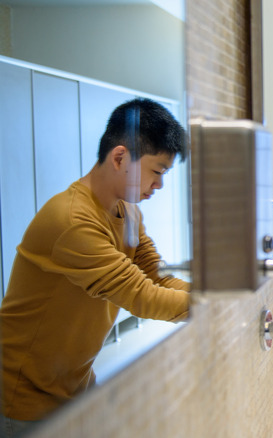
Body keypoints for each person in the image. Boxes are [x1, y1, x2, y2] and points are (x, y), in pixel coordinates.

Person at [0, 98, 190, 436]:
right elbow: (144, 297)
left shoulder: (129, 213)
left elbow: (157, 278)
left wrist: (218, 293)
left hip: (76, 385)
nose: (159, 185)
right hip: (23, 397)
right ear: (119, 158)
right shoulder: (72, 221)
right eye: (157, 171)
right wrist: (219, 301)